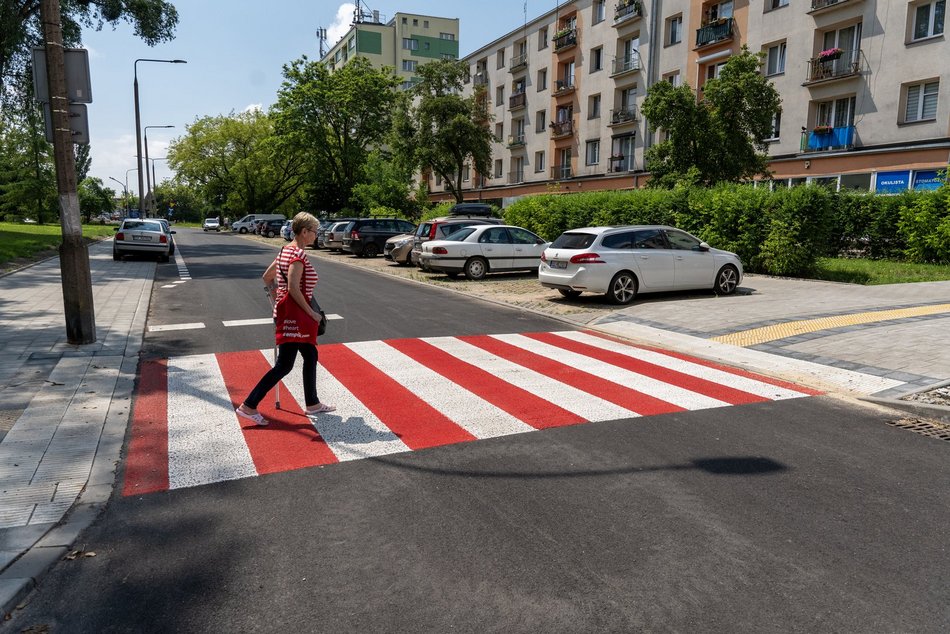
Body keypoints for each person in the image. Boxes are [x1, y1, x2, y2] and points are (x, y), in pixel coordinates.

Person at [235, 212, 335, 425]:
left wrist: (276, 301)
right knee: (284, 365)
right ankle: (249, 405)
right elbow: (293, 288)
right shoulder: (298, 255)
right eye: (315, 232)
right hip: (297, 317)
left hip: (287, 316)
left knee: (309, 355)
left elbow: (267, 277)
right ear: (305, 232)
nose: (316, 236)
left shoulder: (284, 251)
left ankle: (312, 403)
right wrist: (312, 313)